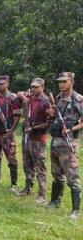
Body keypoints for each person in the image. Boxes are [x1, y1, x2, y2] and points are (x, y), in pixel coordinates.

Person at [47, 72, 83, 220]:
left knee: (72, 176)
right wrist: (51, 113)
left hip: (69, 143)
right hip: (56, 142)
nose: (61, 84)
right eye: (59, 82)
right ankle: (55, 201)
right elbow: (56, 115)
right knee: (56, 174)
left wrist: (71, 129)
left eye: (64, 82)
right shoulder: (58, 98)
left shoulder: (78, 99)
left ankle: (75, 210)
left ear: (72, 82)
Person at [15, 78, 51, 204]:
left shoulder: (45, 102)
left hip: (38, 139)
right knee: (27, 164)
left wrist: (34, 127)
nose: (33, 89)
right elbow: (18, 94)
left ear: (42, 87)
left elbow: (48, 123)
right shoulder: (30, 99)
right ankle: (27, 189)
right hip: (27, 137)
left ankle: (42, 195)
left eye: (36, 87)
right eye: (32, 86)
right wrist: (23, 95)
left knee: (40, 167)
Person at [0, 75, 21, 192]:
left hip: (6, 133)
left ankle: (14, 184)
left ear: (7, 84)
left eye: (1, 84)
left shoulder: (12, 97)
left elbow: (17, 116)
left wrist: (11, 130)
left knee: (11, 158)